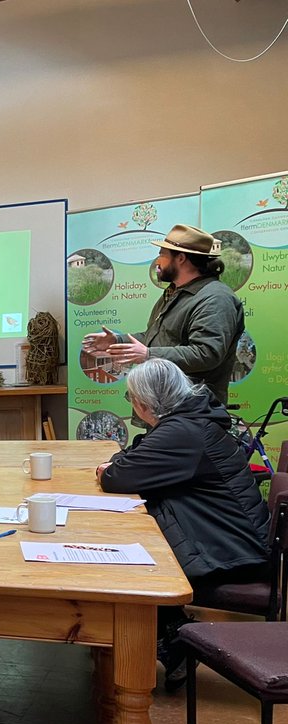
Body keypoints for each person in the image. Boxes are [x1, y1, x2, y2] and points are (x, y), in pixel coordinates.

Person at [96, 358, 270, 689]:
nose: (132, 405)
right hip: (227, 536)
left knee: (133, 561)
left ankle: (165, 647)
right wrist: (119, 464)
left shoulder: (183, 431)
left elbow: (119, 474)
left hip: (232, 550)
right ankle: (172, 639)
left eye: (131, 397)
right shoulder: (189, 420)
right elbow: (135, 456)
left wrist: (110, 468)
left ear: (145, 402)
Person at [82, 224, 244, 417]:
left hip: (193, 415)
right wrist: (117, 341)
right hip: (165, 410)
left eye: (162, 254)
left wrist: (148, 354)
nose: (158, 261)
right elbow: (157, 337)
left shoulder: (215, 298)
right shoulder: (175, 292)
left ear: (181, 258)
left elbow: (206, 353)